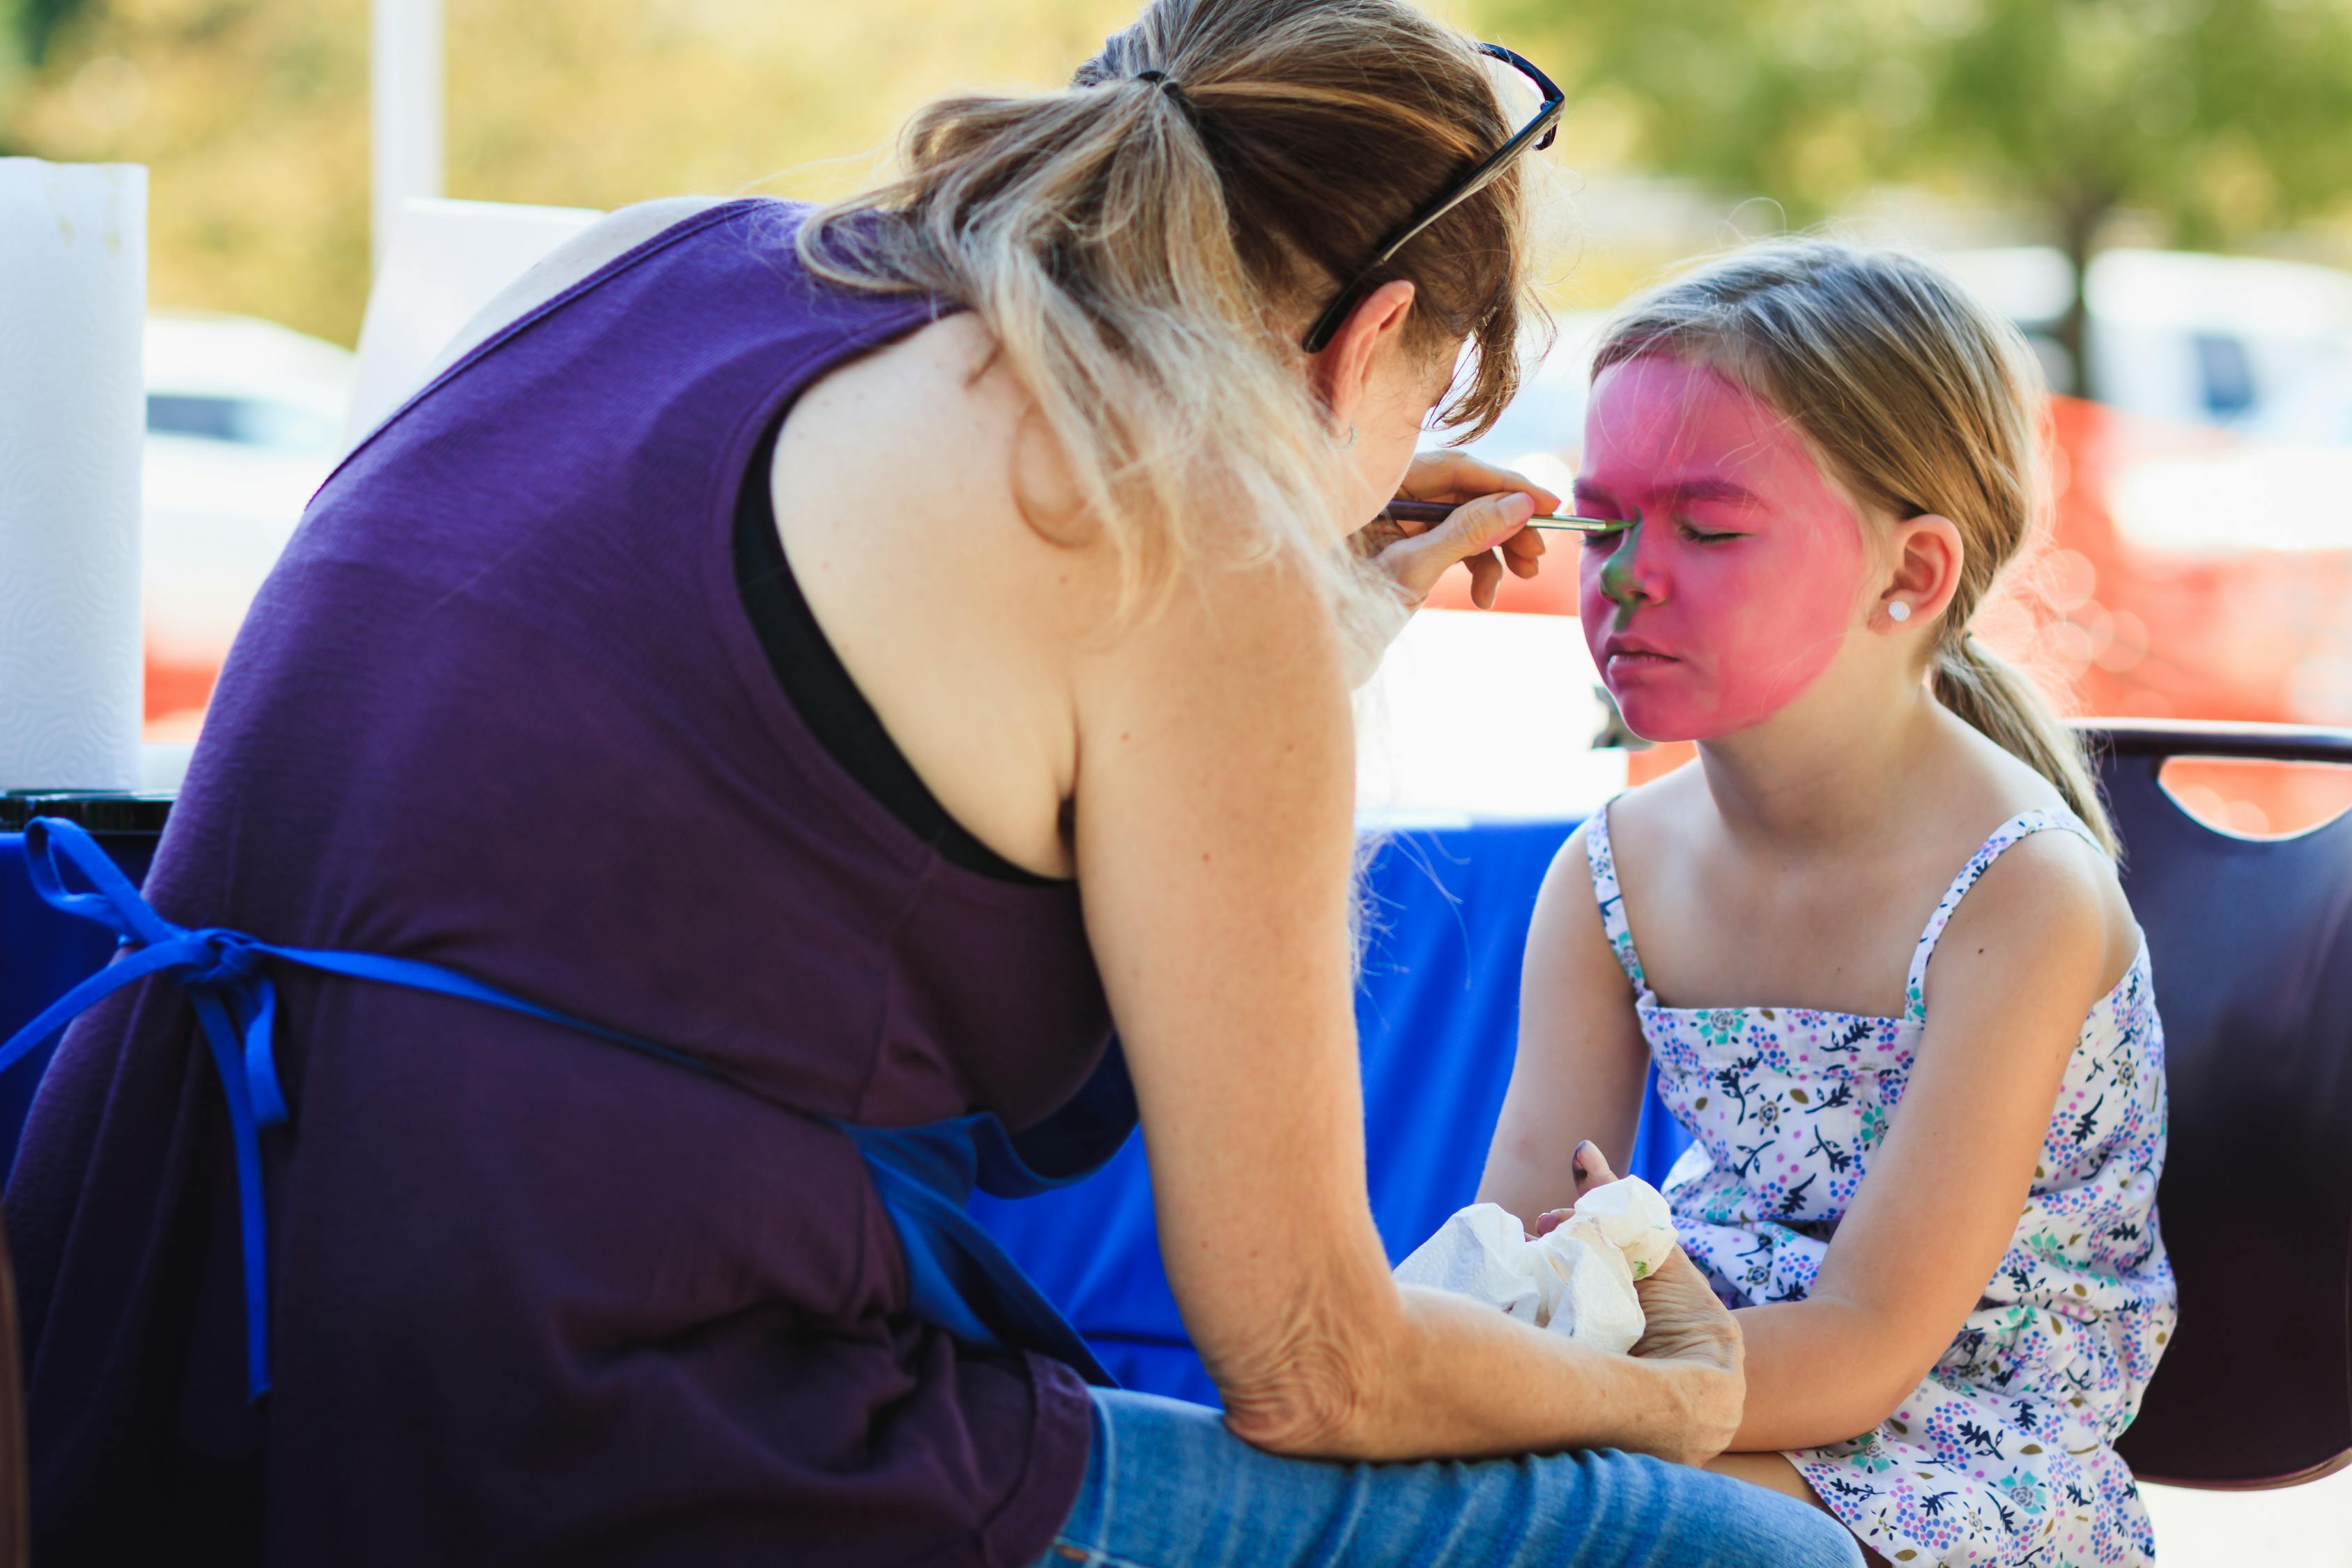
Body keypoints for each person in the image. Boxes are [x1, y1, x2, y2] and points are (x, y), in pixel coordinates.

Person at [1, 1, 1863, 1564]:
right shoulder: (1193, 519)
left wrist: (1323, 639)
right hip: (585, 1399)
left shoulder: (663, 250)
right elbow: (1312, 1360)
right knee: (1738, 1545)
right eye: (1421, 410)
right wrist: (1667, 1397)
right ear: (1371, 340)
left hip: (157, 1271)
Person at [1478, 240, 2176, 1567]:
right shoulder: (1608, 872)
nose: (1631, 576)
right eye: (1604, 522)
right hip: (1698, 1390)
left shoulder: (2019, 895)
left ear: (1909, 577)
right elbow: (1521, 1247)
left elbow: (1864, 1347)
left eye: (1709, 528)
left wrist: (1530, 1406)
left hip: (1969, 1461)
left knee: (1553, 1525)